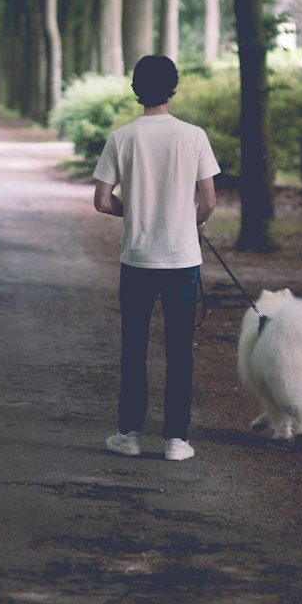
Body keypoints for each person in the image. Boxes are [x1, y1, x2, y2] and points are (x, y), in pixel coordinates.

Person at [92, 54, 220, 461]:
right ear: (174, 88)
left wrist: (139, 210)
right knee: (180, 349)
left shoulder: (122, 137)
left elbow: (101, 200)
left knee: (134, 347)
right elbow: (210, 201)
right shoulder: (193, 136)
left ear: (135, 90)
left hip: (138, 259)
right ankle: (175, 441)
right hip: (182, 259)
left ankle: (128, 435)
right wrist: (188, 220)